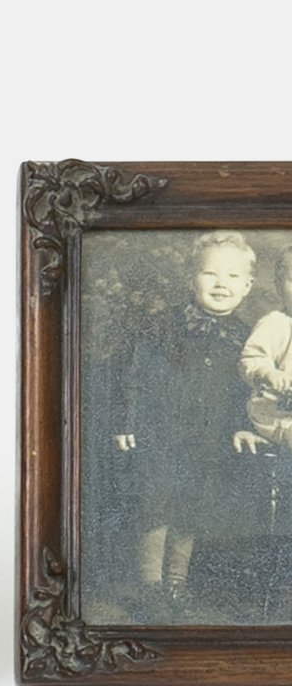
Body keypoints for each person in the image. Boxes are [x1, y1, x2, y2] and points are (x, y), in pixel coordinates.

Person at [112, 231, 260, 620]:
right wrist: (126, 420)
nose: (221, 283)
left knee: (192, 507)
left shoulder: (246, 336)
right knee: (156, 503)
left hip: (209, 440)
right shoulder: (161, 325)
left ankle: (176, 583)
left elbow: (249, 390)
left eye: (232, 276)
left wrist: (243, 425)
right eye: (210, 273)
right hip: (160, 433)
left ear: (247, 286)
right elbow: (133, 372)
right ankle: (150, 586)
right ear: (191, 276)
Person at [241, 246, 292, 448]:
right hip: (277, 414)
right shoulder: (276, 323)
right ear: (278, 285)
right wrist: (267, 372)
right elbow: (252, 358)